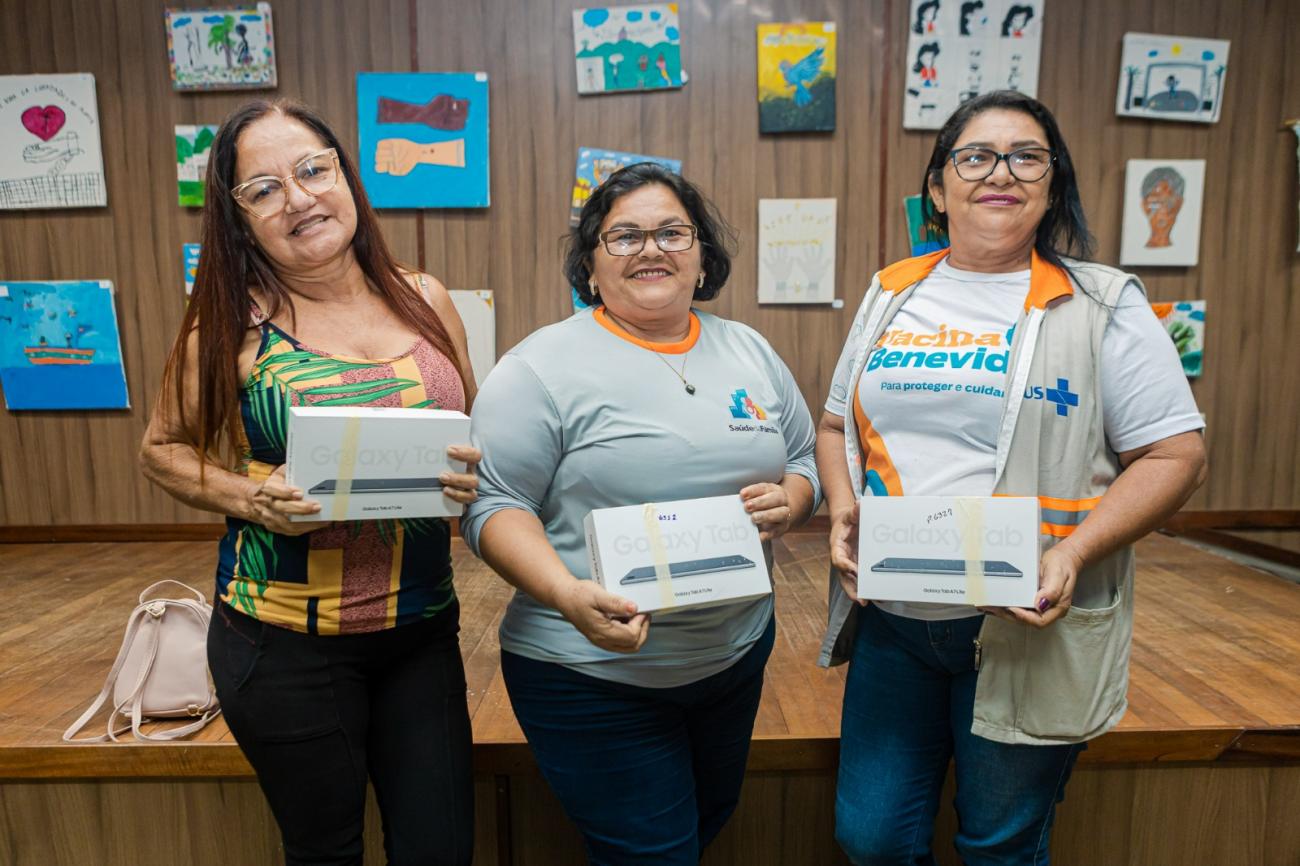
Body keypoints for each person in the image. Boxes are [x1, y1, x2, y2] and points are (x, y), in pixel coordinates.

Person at [816, 90, 1207, 865]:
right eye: (976, 157)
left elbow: (1177, 456)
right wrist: (841, 508)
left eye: (1027, 157)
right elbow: (833, 429)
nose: (1001, 172)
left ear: (1052, 185)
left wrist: (1074, 553)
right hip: (894, 619)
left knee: (1000, 846)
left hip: (1026, 623)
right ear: (938, 188)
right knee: (871, 840)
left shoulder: (1102, 303)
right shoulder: (892, 290)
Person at [140, 99, 479, 866]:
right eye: (263, 189)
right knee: (326, 853)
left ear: (345, 177)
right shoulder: (230, 329)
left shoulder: (425, 298)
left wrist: (472, 470)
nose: (297, 198)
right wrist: (249, 498)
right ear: (238, 219)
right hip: (283, 640)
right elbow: (161, 450)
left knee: (442, 849)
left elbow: (473, 423)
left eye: (312, 170)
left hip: (422, 625)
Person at [462, 163, 820, 866]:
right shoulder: (538, 367)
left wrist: (795, 499)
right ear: (590, 268)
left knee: (706, 823)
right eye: (624, 236)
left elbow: (804, 458)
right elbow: (493, 504)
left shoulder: (750, 349)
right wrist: (566, 595)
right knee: (654, 854)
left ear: (702, 258)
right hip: (590, 670)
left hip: (734, 654)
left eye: (671, 233)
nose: (650, 249)